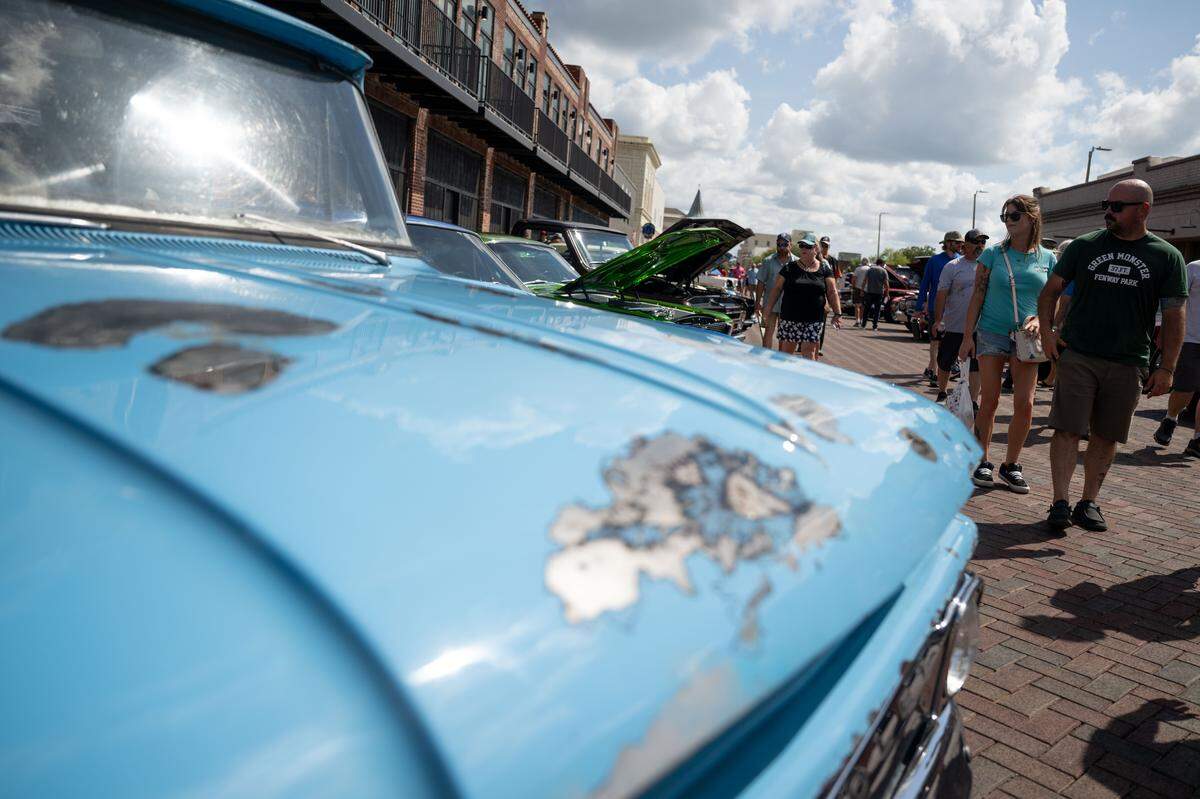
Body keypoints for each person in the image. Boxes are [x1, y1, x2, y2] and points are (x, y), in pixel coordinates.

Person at [1038, 179, 1189, 531]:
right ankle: (1060, 502)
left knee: (1107, 435)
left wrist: (1167, 367)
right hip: (1078, 353)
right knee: (1066, 429)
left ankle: (1088, 502)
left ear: (1144, 210)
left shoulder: (1167, 256)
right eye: (1106, 204)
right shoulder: (1085, 246)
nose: (1109, 211)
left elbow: (1174, 316)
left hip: (1128, 361)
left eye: (1117, 207)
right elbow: (1050, 293)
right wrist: (1047, 333)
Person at [959, 194, 1056, 494]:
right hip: (991, 331)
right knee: (989, 400)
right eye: (1005, 216)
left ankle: (1011, 465)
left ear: (1031, 218)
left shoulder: (1048, 258)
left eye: (1014, 215)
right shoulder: (993, 255)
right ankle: (982, 461)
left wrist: (1041, 321)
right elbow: (977, 294)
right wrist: (967, 336)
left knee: (1025, 404)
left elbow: (1051, 300)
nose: (1008, 221)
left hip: (1028, 337)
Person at [765, 234, 841, 359]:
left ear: (816, 249)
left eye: (808, 246)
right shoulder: (789, 268)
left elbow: (832, 291)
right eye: (801, 245)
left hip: (814, 318)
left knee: (809, 353)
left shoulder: (824, 269)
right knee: (786, 354)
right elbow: (776, 289)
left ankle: (805, 378)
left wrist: (837, 313)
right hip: (790, 317)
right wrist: (767, 309)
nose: (803, 248)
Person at [1152, 258, 1200, 457]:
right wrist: (1162, 329)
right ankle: (1171, 418)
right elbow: (1174, 301)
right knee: (1185, 388)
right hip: (1191, 339)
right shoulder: (1194, 268)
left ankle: (1197, 440)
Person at [932, 229, 986, 405]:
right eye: (976, 242)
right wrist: (938, 320)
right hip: (955, 324)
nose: (980, 246)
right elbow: (941, 294)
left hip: (979, 326)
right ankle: (942, 391)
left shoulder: (986, 266)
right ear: (966, 245)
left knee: (976, 363)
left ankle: (973, 400)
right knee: (946, 359)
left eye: (983, 243)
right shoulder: (953, 266)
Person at [917, 232, 965, 385]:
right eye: (957, 242)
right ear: (948, 243)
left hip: (955, 308)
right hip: (935, 307)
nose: (960, 245)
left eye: (961, 242)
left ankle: (942, 368)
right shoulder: (934, 260)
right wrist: (919, 306)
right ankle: (934, 369)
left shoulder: (961, 260)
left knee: (953, 339)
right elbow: (925, 284)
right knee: (936, 340)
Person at [755, 233, 796, 349]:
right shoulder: (768, 261)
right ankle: (765, 359)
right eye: (779, 244)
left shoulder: (797, 262)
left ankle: (778, 360)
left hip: (788, 306)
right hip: (770, 304)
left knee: (784, 335)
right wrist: (758, 303)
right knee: (768, 332)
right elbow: (761, 282)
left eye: (785, 244)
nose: (782, 247)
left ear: (790, 245)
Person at [862, 258, 888, 330]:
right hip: (879, 293)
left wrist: (862, 290)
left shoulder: (870, 270)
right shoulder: (884, 271)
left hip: (869, 292)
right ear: (882, 263)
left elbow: (865, 281)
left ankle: (863, 325)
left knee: (867, 309)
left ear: (876, 263)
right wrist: (887, 293)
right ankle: (874, 326)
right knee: (877, 310)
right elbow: (886, 284)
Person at [852, 257, 871, 327]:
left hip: (857, 288)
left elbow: (854, 279)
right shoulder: (869, 269)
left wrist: (853, 287)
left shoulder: (858, 269)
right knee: (863, 306)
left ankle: (857, 321)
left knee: (857, 305)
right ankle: (862, 320)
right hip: (866, 290)